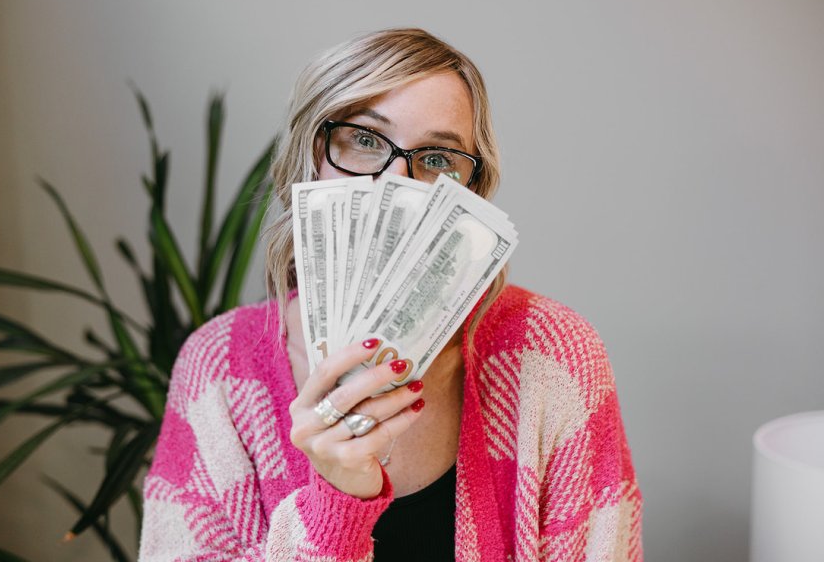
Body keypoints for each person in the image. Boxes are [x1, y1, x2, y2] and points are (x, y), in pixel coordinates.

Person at [138, 28, 643, 561]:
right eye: (364, 140)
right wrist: (335, 504)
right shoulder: (217, 372)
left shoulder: (553, 357)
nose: (394, 184)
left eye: (437, 158)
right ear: (310, 157)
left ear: (470, 194)